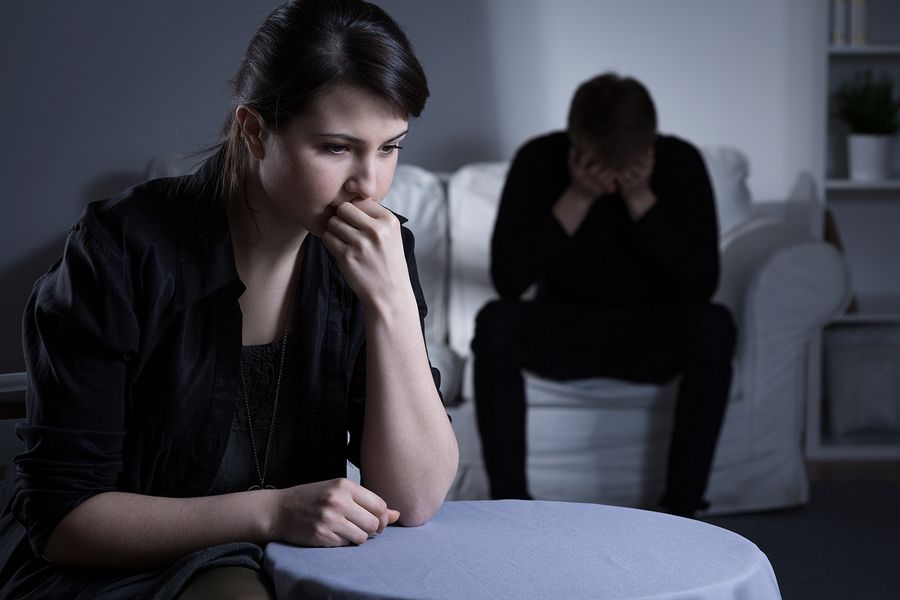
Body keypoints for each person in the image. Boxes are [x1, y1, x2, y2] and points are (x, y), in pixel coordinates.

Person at [0, 0, 458, 597]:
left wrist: (392, 302)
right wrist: (269, 512)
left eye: (390, 147)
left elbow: (414, 500)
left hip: (299, 559)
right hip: (116, 570)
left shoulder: (382, 252)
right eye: (336, 148)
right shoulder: (120, 248)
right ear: (253, 130)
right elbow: (61, 521)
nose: (369, 184)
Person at [471, 73, 735, 518]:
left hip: (651, 334)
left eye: (623, 165)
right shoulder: (539, 159)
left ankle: (683, 506)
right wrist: (577, 197)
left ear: (648, 145)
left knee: (714, 323)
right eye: (599, 161)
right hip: (565, 328)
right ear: (574, 140)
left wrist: (641, 199)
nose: (611, 177)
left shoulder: (681, 162)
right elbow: (509, 281)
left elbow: (702, 283)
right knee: (497, 320)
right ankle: (510, 505)